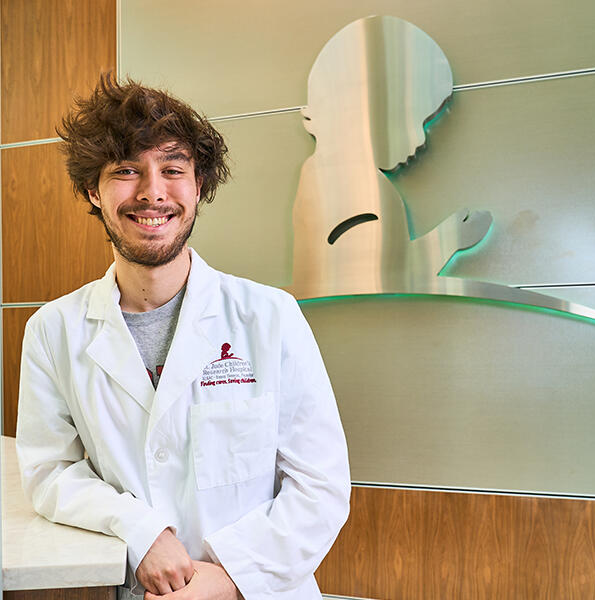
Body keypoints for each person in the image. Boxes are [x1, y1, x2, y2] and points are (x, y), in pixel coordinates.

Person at [16, 74, 351, 600]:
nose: (152, 191)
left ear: (198, 187)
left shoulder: (271, 316)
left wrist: (229, 578)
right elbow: (50, 472)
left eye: (173, 170)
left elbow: (320, 488)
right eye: (126, 171)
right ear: (92, 190)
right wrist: (139, 531)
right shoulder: (53, 331)